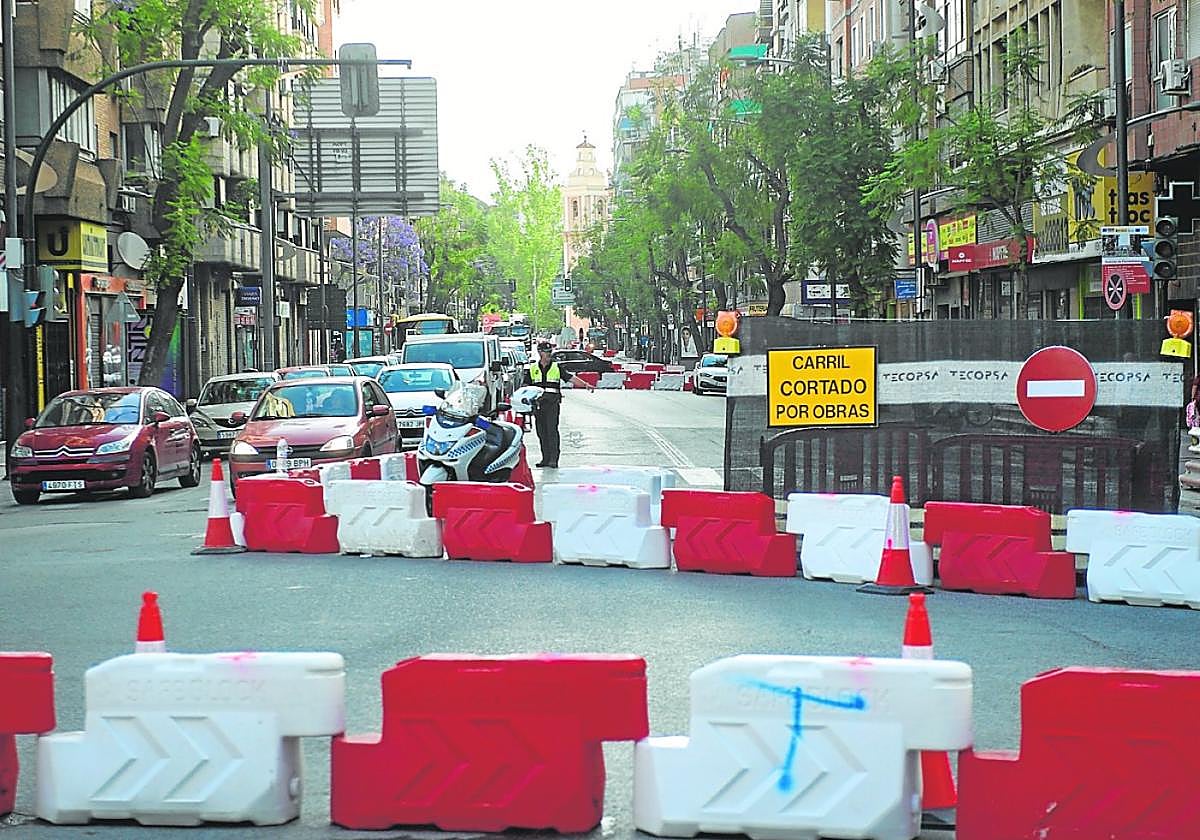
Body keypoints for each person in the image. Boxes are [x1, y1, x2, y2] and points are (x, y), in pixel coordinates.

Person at [523, 341, 594, 468]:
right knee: (541, 432)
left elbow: (570, 378)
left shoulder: (556, 367)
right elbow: (525, 386)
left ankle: (553, 459)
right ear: (540, 353)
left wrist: (585, 385)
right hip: (538, 404)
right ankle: (545, 458)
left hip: (552, 404)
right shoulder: (533, 368)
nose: (549, 354)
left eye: (550, 352)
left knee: (552, 431)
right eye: (546, 352)